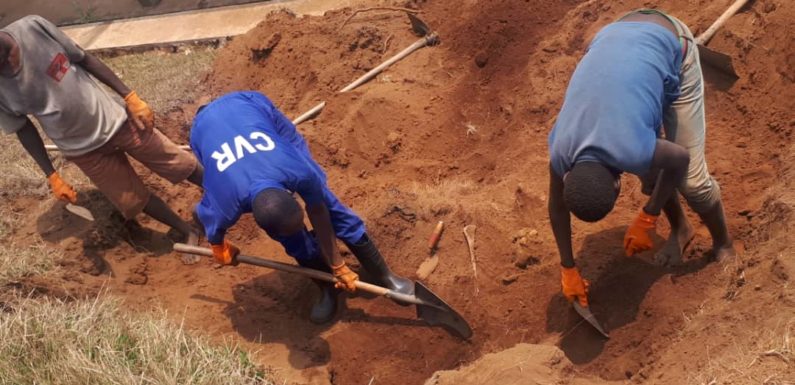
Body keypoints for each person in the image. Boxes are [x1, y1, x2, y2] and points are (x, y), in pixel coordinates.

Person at [547, 9, 736, 307]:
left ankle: (724, 243)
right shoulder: (561, 150)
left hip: (671, 44)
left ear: (618, 185)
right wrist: (567, 267)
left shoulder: (630, 148)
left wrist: (648, 215)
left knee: (693, 183)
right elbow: (556, 206)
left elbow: (679, 159)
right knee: (651, 168)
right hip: (615, 36)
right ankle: (681, 228)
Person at [190, 91, 413, 324]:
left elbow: (318, 210)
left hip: (248, 106)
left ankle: (383, 274)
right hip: (203, 132)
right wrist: (219, 247)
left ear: (293, 197)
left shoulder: (297, 169)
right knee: (293, 240)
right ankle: (326, 286)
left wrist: (339, 265)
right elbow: (205, 220)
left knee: (328, 203)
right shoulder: (224, 201)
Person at [0, 15, 203, 262]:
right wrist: (51, 174)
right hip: (82, 150)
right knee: (132, 199)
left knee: (178, 162)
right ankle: (187, 230)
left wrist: (130, 96)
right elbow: (23, 128)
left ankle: (225, 195)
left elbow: (84, 59)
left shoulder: (33, 28)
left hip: (117, 121)